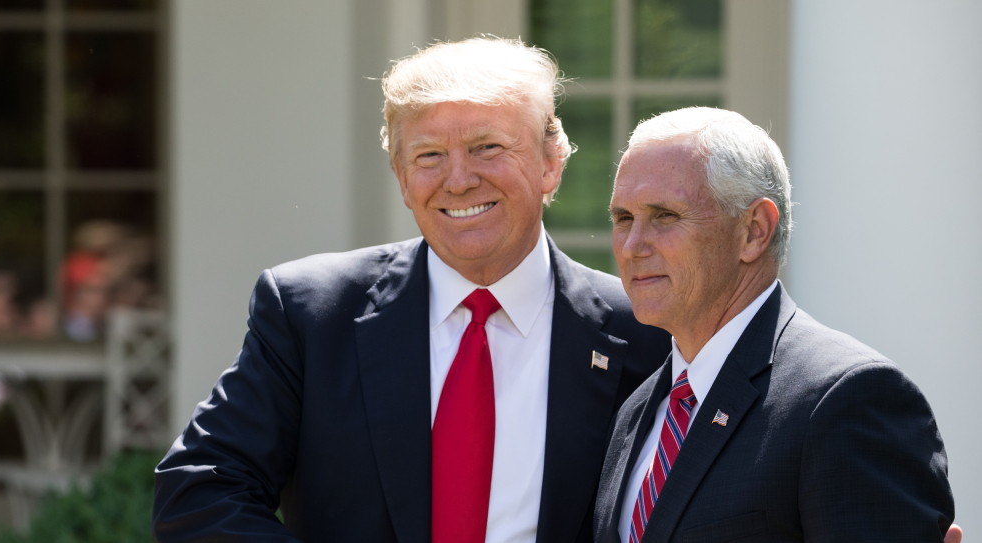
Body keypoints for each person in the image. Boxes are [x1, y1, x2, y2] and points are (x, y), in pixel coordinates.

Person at [152, 38, 671, 543]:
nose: (458, 180)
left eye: (487, 147)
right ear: (401, 177)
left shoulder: (648, 331)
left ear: (550, 163)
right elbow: (199, 491)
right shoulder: (311, 314)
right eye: (429, 156)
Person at [593, 107, 956, 542]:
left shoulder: (848, 399)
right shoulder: (636, 411)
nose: (632, 246)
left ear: (754, 231)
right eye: (623, 219)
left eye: (665, 215)